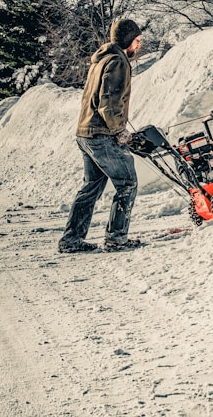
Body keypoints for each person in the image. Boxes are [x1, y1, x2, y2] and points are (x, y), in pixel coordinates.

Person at [58, 18, 143, 253]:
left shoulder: (101, 59)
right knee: (127, 183)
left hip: (86, 132)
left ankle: (71, 240)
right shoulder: (118, 62)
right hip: (101, 134)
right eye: (137, 40)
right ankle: (116, 239)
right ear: (127, 40)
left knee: (91, 187)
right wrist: (119, 131)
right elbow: (109, 101)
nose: (138, 45)